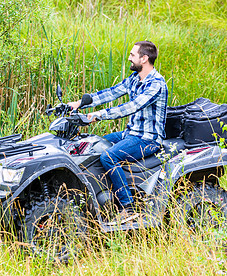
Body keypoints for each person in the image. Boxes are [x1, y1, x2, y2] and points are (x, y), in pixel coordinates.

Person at [68, 41, 168, 223]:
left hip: (148, 139)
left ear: (144, 59)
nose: (129, 58)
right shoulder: (134, 79)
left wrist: (98, 115)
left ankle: (128, 208)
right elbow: (111, 93)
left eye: (132, 55)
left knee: (108, 157)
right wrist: (79, 103)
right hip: (131, 133)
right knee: (94, 145)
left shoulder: (156, 84)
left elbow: (132, 106)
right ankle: (104, 200)